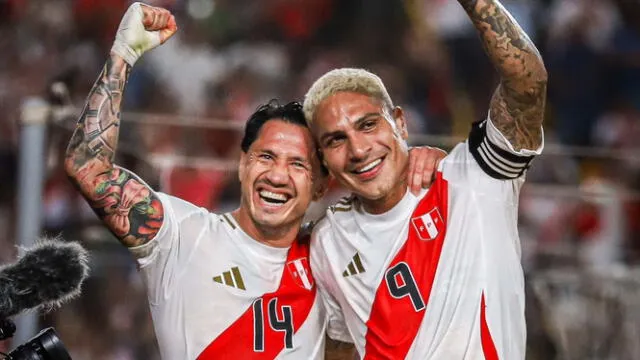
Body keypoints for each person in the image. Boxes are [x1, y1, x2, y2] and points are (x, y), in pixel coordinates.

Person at [63, 3, 445, 359]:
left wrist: (425, 163)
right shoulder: (181, 235)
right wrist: (122, 57)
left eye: (298, 164)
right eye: (266, 157)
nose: (277, 176)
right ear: (242, 164)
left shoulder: (330, 256)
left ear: (319, 185)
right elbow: (88, 168)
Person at [303, 0, 547, 359]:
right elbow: (339, 345)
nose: (357, 149)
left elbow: (527, 83)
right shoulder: (327, 239)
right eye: (335, 140)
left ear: (400, 123)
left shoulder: (475, 176)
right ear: (323, 158)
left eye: (368, 125)